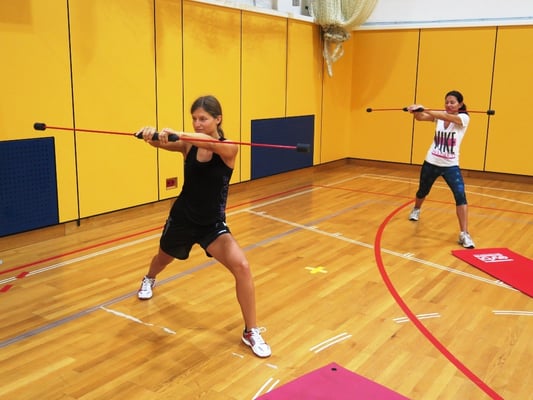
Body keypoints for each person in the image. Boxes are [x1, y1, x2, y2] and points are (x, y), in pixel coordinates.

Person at [136, 95, 271, 358]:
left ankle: (250, 331)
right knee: (163, 258)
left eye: (203, 119)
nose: (198, 123)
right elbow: (160, 142)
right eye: (194, 119)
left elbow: (207, 141)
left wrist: (177, 133)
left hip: (212, 224)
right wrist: (150, 135)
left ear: (218, 119)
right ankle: (149, 278)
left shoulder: (228, 147)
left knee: (242, 267)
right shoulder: (188, 145)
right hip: (183, 218)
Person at [407, 90, 475, 249]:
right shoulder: (439, 116)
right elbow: (420, 118)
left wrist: (426, 108)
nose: (449, 105)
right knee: (422, 191)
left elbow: (447, 117)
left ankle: (464, 233)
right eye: (447, 102)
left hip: (451, 165)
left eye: (452, 102)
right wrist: (415, 111)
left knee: (460, 195)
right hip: (431, 161)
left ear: (460, 104)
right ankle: (416, 209)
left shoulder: (464, 118)